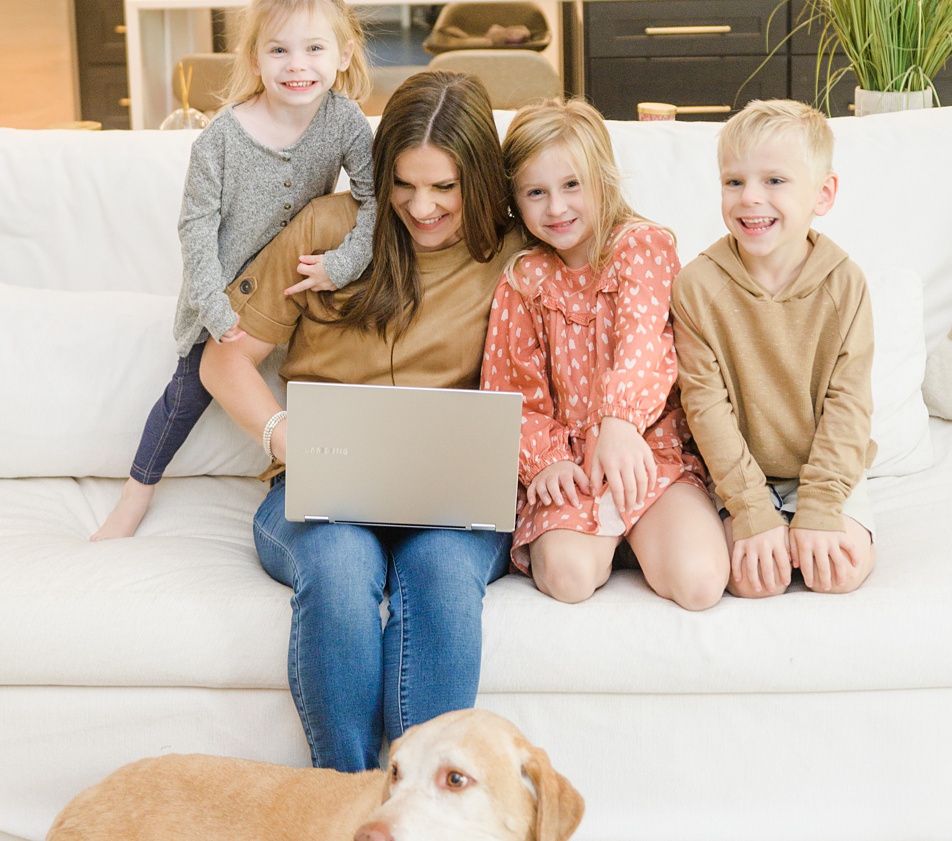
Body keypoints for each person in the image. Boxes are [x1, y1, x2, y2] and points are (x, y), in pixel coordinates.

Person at [198, 69, 526, 773]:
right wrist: (284, 437)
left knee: (439, 574)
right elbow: (223, 363)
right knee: (342, 566)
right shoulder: (330, 228)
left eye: (446, 187)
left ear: (483, 177)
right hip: (319, 489)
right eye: (405, 184)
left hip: (454, 499)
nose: (422, 207)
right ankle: (343, 795)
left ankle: (427, 804)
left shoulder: (514, 255)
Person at [93, 0, 376, 540]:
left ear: (343, 55)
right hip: (228, 290)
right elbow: (195, 229)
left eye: (314, 48)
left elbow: (374, 204)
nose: (297, 66)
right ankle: (135, 494)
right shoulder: (222, 137)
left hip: (300, 280)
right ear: (254, 58)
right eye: (279, 51)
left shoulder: (345, 121)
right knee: (187, 390)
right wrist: (214, 309)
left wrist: (339, 266)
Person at [481, 99, 726, 610]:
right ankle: (606, 540)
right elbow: (508, 392)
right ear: (515, 200)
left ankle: (638, 534)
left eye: (572, 185)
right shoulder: (523, 279)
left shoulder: (642, 248)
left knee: (700, 583)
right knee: (568, 578)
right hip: (570, 466)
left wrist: (618, 422)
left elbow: (646, 341)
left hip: (646, 451)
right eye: (536, 192)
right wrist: (543, 463)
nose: (557, 208)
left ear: (603, 180)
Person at [670, 99, 878, 598]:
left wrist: (821, 506)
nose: (750, 199)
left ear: (822, 194)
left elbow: (848, 405)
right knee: (751, 581)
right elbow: (705, 407)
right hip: (739, 476)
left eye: (775, 181)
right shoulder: (697, 285)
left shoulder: (845, 284)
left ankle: (811, 518)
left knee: (838, 573)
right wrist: (752, 511)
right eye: (734, 182)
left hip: (824, 473)